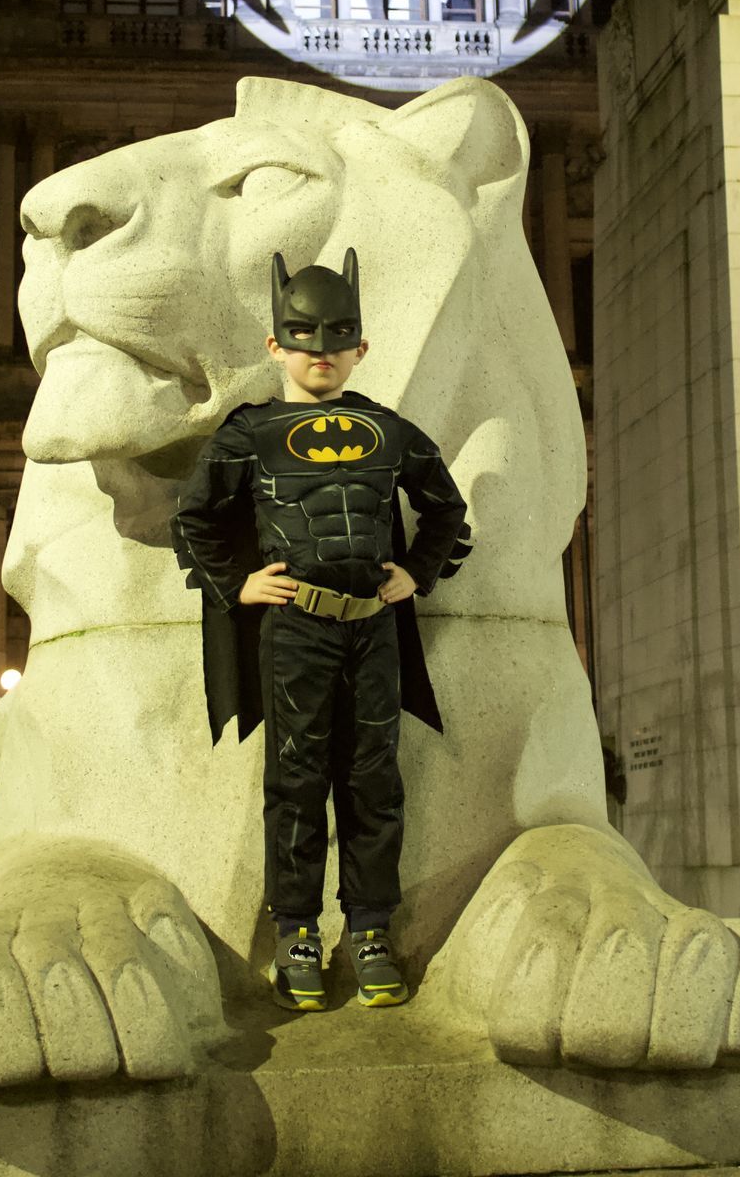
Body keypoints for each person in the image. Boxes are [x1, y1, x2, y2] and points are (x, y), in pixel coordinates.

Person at [172, 248, 470, 1013]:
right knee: (295, 783)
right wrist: (236, 586)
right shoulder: (252, 434)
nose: (321, 354)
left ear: (360, 349)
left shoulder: (390, 430)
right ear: (277, 347)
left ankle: (370, 931)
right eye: (304, 339)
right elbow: (194, 518)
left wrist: (418, 573)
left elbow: (446, 509)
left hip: (371, 630)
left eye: (337, 340)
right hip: (295, 630)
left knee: (374, 783)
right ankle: (298, 933)